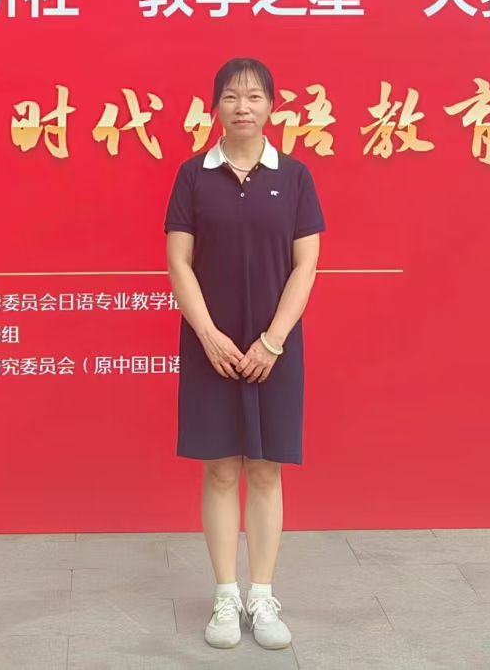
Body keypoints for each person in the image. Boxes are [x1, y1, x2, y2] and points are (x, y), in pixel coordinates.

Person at [163, 56, 324, 650]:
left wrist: (273, 340)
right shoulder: (193, 176)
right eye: (231, 97)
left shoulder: (296, 176)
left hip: (274, 347)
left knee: (264, 468)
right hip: (211, 344)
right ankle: (225, 594)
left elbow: (306, 265)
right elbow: (179, 262)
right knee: (220, 468)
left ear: (272, 106)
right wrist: (207, 335)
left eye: (254, 96)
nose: (243, 107)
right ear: (215, 107)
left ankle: (262, 593)